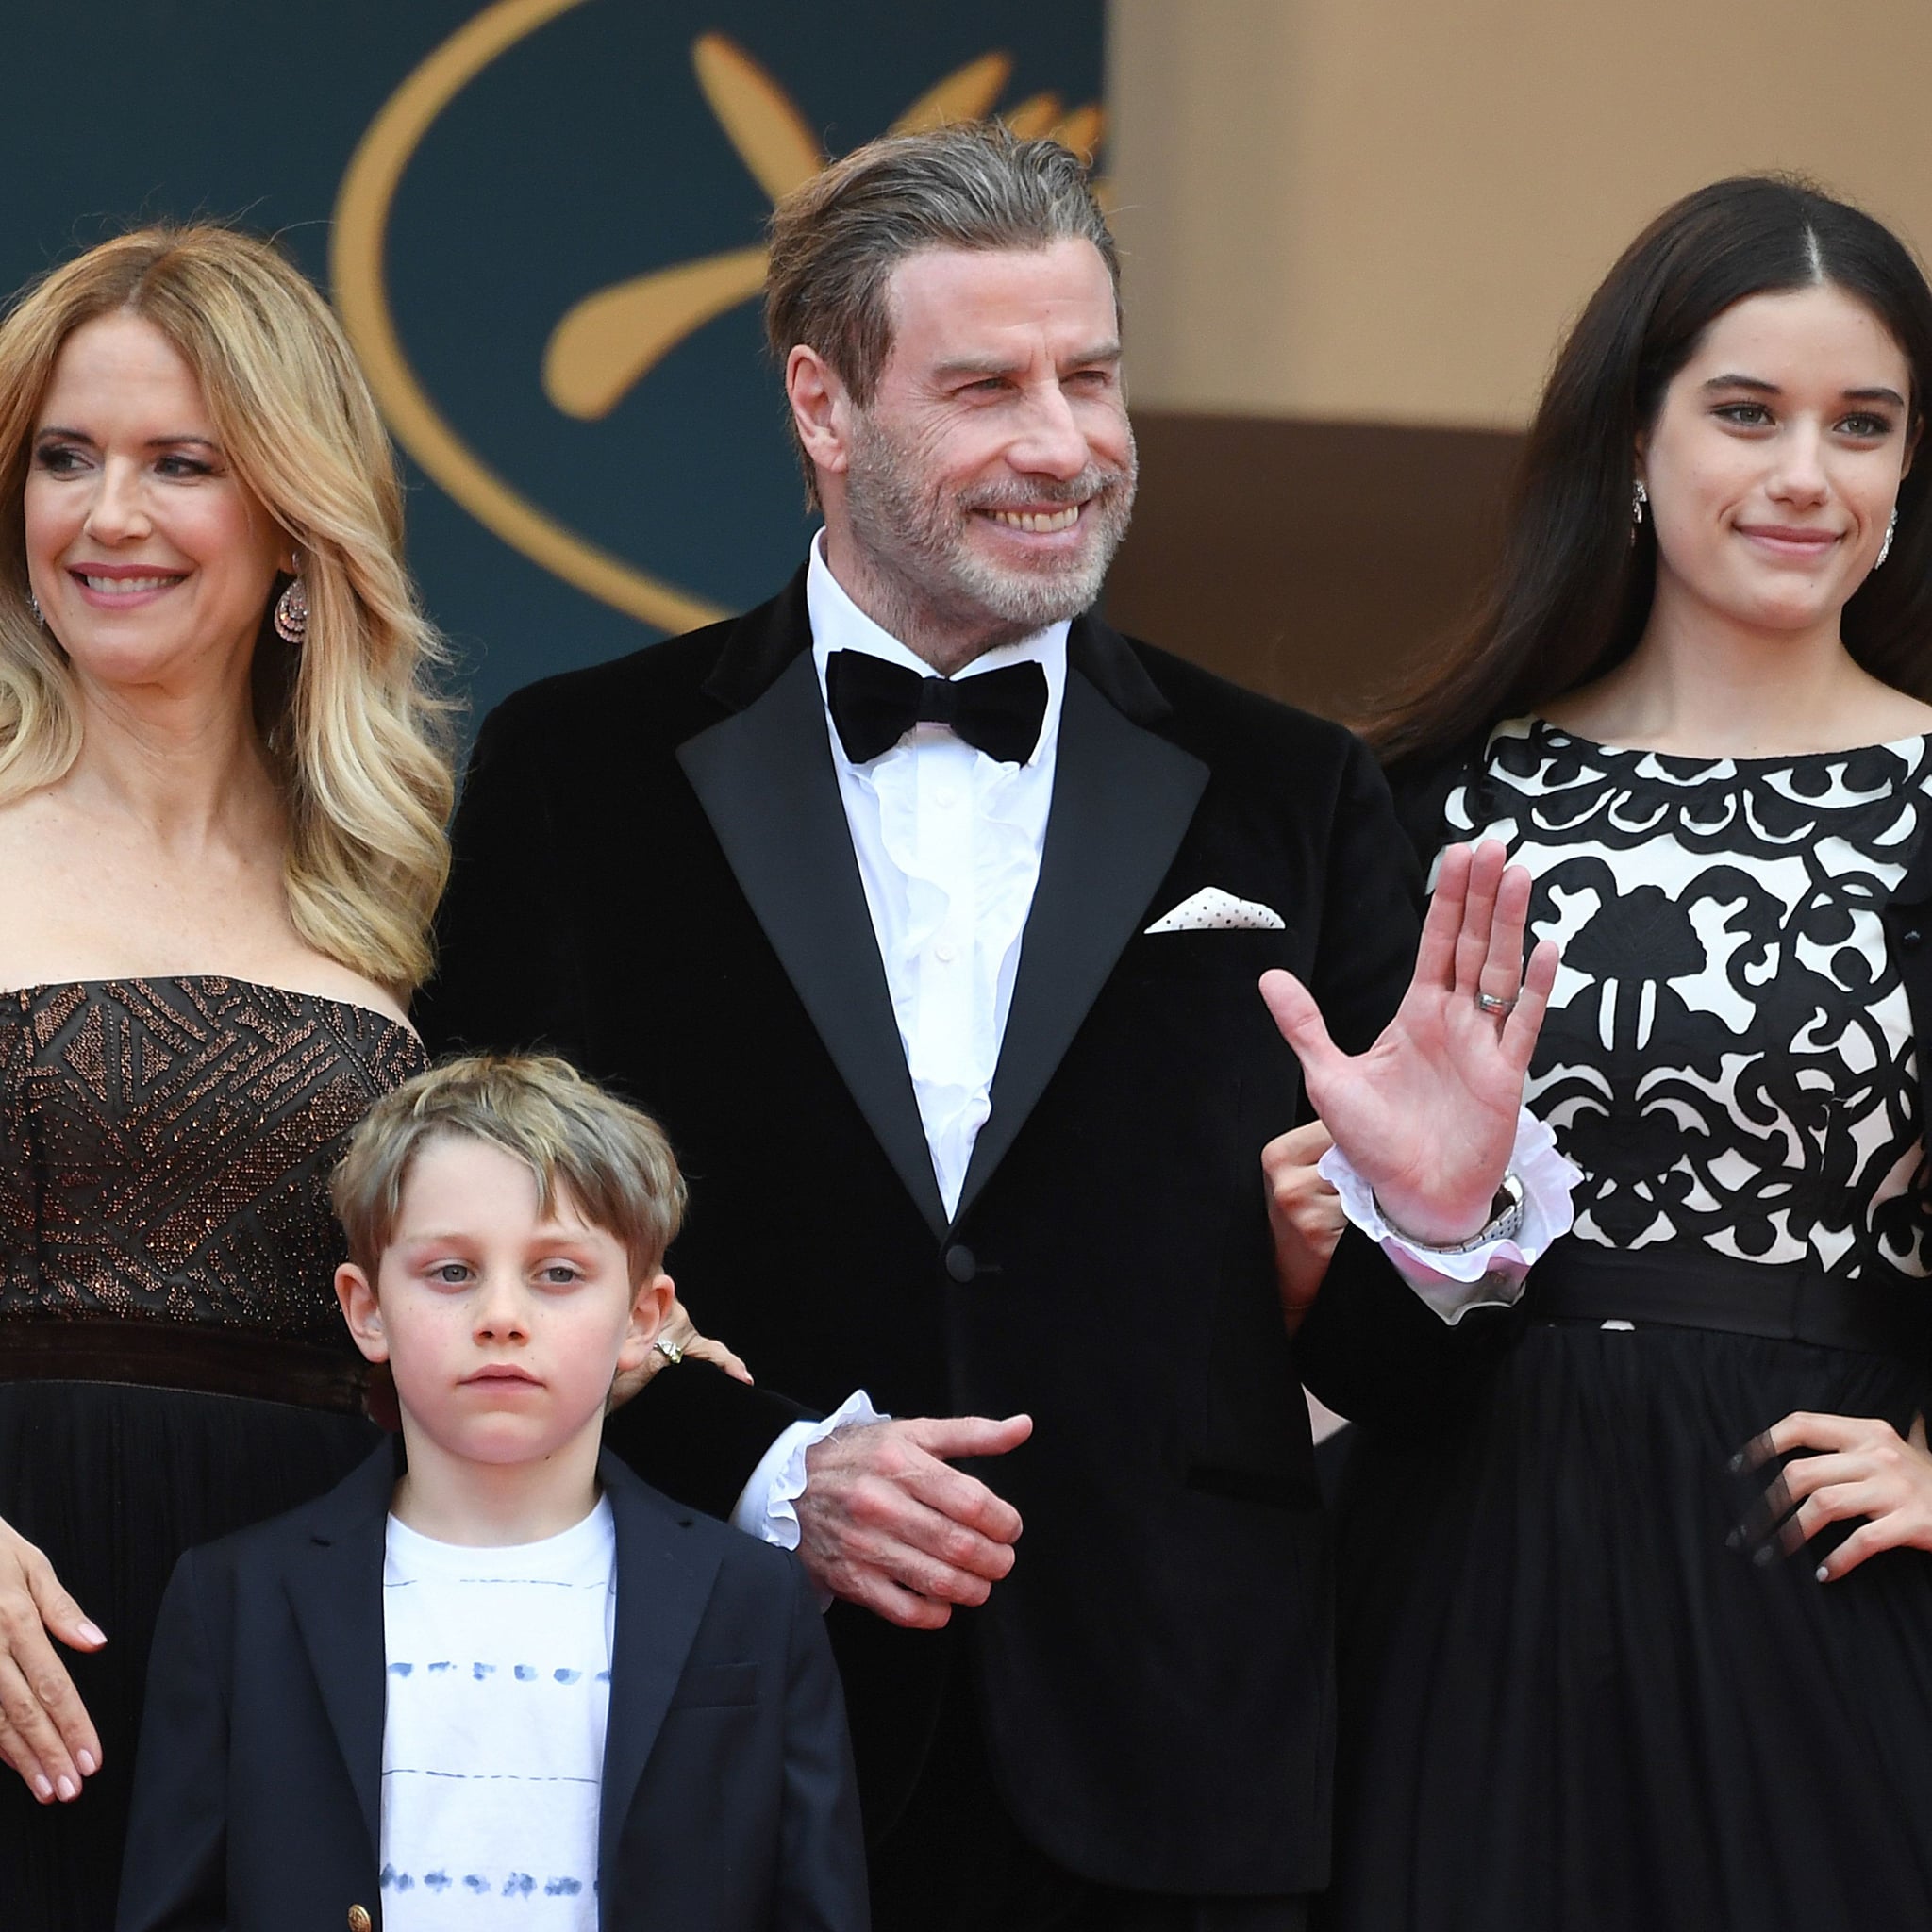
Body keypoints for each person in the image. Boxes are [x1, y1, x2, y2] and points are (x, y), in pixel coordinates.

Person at [420, 124, 1567, 1931]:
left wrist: (1436, 1228)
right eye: (986, 385)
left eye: (1091, 375)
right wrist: (769, 1470)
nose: (1066, 444)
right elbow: (467, 1245)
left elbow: (1403, 1374)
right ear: (822, 403)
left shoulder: (1292, 788)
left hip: (1166, 1754)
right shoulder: (583, 770)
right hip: (712, 1718)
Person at [1275, 176, 1932, 1930]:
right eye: (1745, 411)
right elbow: (1355, 1329)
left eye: (1859, 424)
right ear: (1628, 441)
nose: (1806, 472)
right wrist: (1367, 1230)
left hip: (1824, 1576)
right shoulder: (1425, 798)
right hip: (1456, 1571)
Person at [0, 224, 460, 1929]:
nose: (106, 515)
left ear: (289, 518)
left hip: (307, 1654)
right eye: (65, 458)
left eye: (178, 463)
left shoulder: (402, 894)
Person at [116, 1054, 867, 1932]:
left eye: (557, 1274)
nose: (502, 1314)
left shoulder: (751, 1597)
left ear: (642, 1318)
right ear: (367, 1311)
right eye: (451, 1272)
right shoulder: (234, 1599)